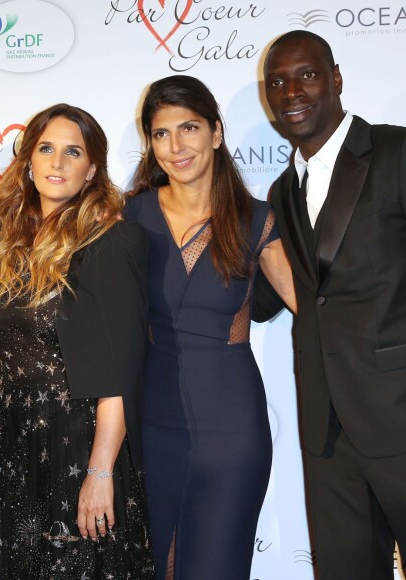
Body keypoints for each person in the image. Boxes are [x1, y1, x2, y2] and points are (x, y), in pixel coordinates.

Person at [0, 103, 154, 579]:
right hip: (9, 439)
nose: (56, 162)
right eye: (46, 149)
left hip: (77, 438)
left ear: (92, 169)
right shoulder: (7, 245)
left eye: (73, 152)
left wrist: (100, 471)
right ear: (28, 161)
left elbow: (121, 371)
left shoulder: (111, 242)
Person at [125, 75, 296, 579]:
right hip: (150, 422)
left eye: (190, 128)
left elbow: (316, 309)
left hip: (232, 426)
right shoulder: (127, 215)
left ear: (217, 133)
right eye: (161, 134)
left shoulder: (255, 220)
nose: (176, 147)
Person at [258, 30, 406, 579]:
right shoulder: (280, 193)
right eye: (277, 82)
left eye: (307, 75)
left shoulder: (395, 151)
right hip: (326, 430)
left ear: (337, 79)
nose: (291, 91)